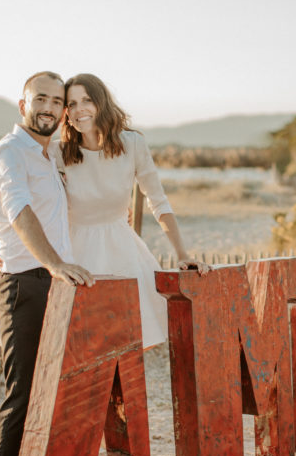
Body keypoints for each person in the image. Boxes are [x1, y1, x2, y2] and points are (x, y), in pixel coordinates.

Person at [0, 71, 94, 456]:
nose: (49, 107)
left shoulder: (51, 155)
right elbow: (17, 210)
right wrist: (53, 263)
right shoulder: (10, 152)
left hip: (57, 282)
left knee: (59, 396)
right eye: (41, 99)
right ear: (23, 102)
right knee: (23, 397)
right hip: (27, 285)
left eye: (57, 101)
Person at [59, 73, 209, 348]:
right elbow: (36, 203)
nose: (79, 109)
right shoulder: (59, 153)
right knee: (80, 347)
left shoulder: (133, 144)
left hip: (122, 252)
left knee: (124, 344)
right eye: (71, 104)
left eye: (86, 100)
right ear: (65, 113)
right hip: (74, 253)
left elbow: (158, 201)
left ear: (101, 103)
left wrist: (183, 254)